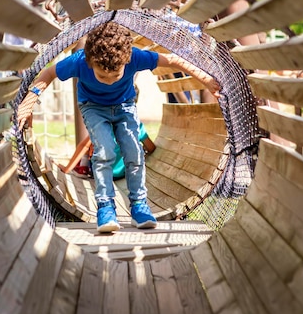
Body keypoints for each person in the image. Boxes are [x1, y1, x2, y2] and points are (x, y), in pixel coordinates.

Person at [17, 21, 221, 233]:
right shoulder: (80, 61)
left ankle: (139, 206)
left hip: (124, 106)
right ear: (90, 61)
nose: (108, 81)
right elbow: (49, 73)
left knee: (134, 152)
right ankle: (105, 207)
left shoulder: (135, 56)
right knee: (104, 151)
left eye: (116, 75)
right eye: (102, 75)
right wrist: (31, 99)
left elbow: (172, 60)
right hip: (93, 107)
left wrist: (205, 78)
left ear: (126, 61)